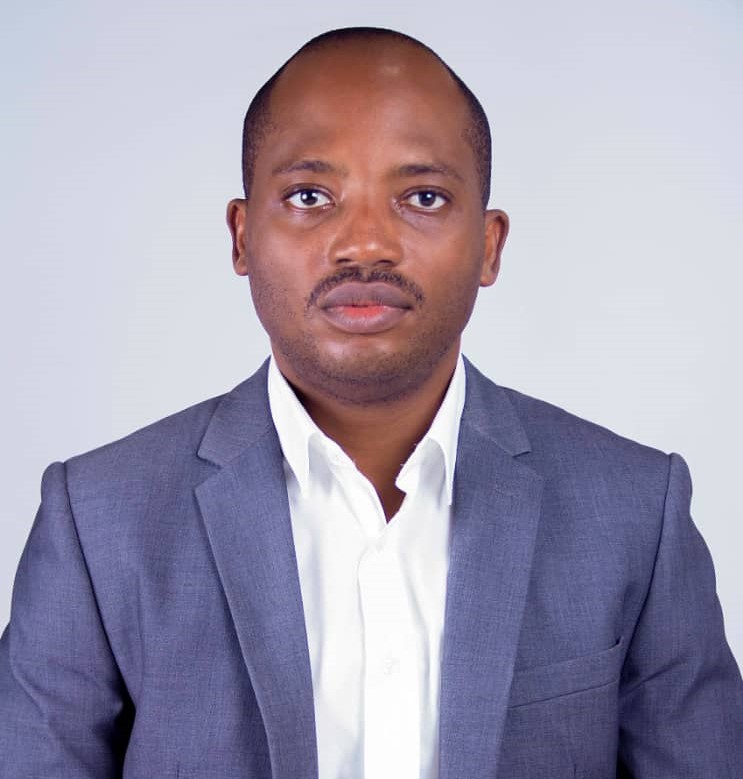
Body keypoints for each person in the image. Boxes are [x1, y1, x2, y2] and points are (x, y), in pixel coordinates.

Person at [0, 25, 740, 779]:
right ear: (242, 236)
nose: (364, 244)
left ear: (489, 245)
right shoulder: (98, 522)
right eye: (309, 196)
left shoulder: (634, 511)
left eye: (422, 197)